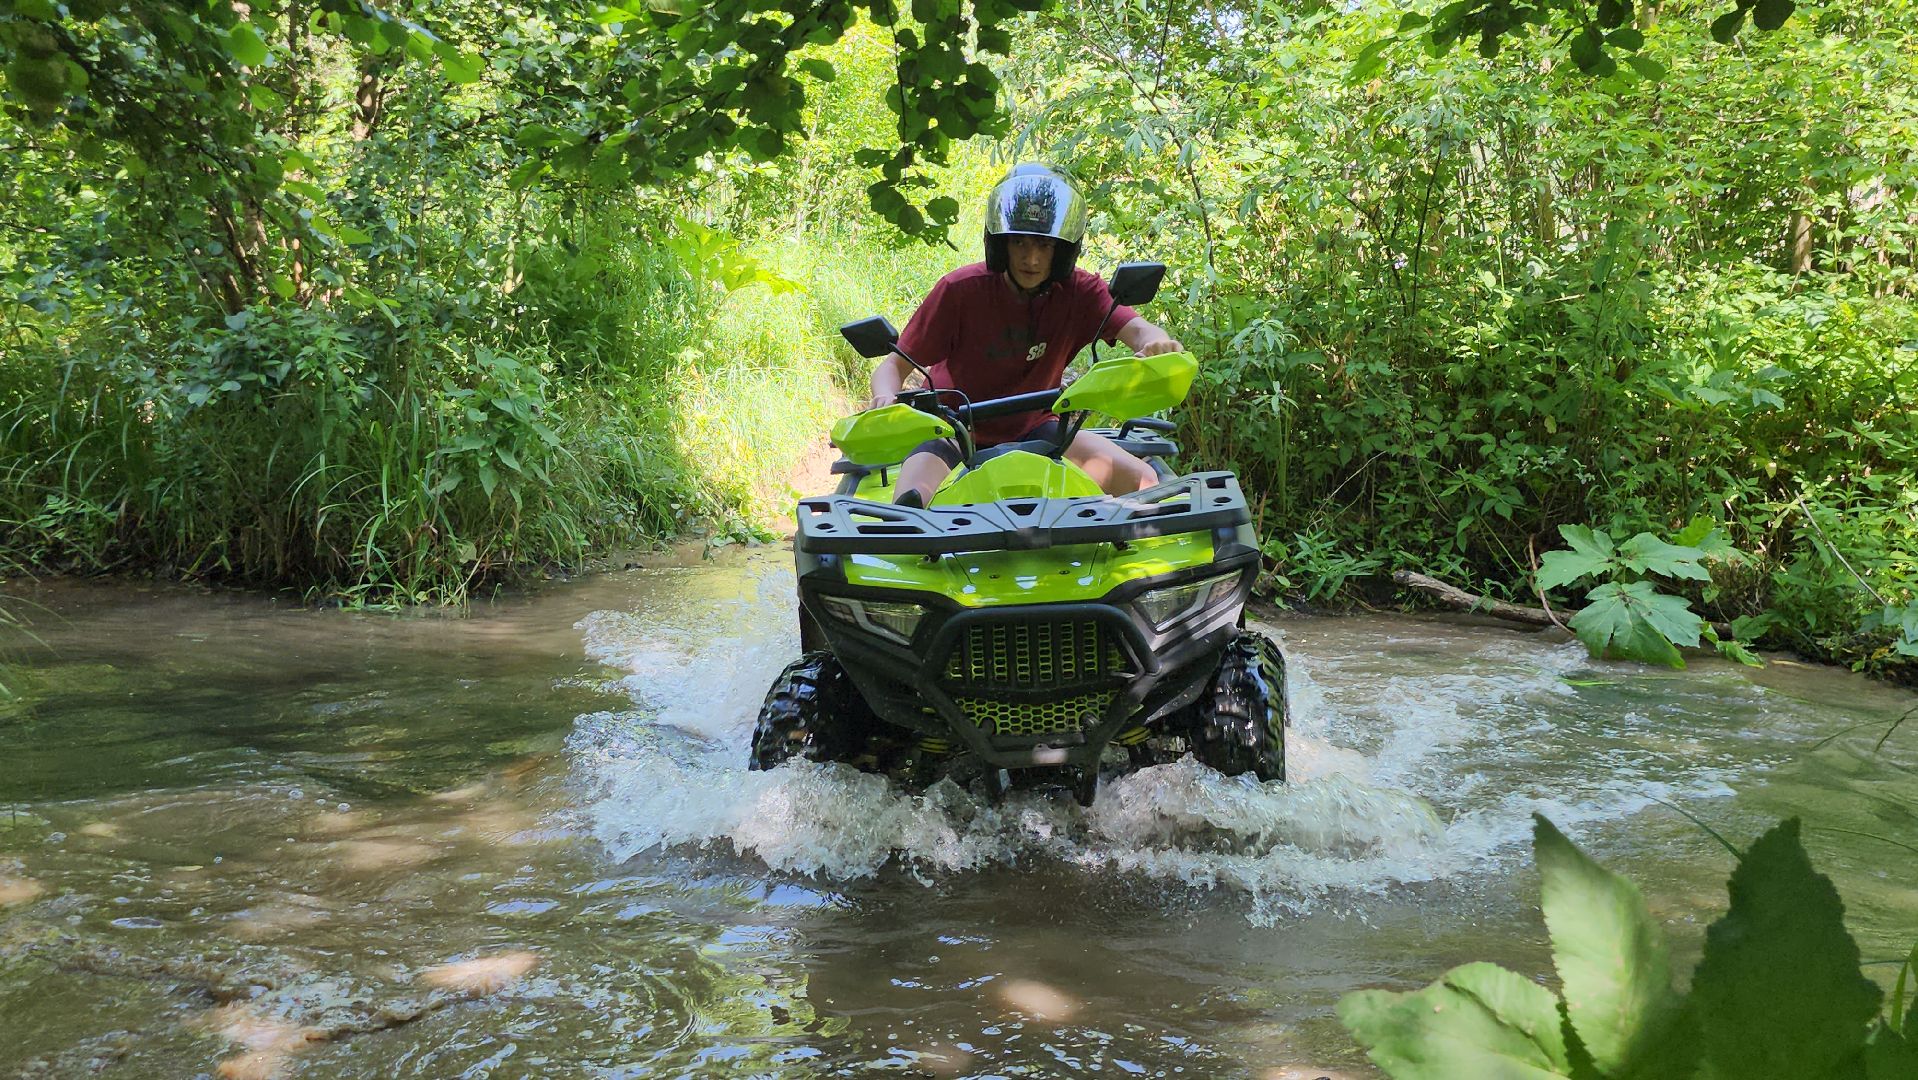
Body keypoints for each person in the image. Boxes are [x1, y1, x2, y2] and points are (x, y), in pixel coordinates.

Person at [868, 164, 1184, 508]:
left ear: (1062, 249)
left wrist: (1156, 343)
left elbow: (1136, 329)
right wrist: (884, 399)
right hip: (953, 427)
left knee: (1145, 483)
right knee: (908, 505)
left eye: (1043, 245)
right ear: (1000, 244)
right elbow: (893, 366)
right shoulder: (960, 290)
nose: (1030, 258)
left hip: (1040, 424)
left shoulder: (1080, 291)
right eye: (1018, 242)